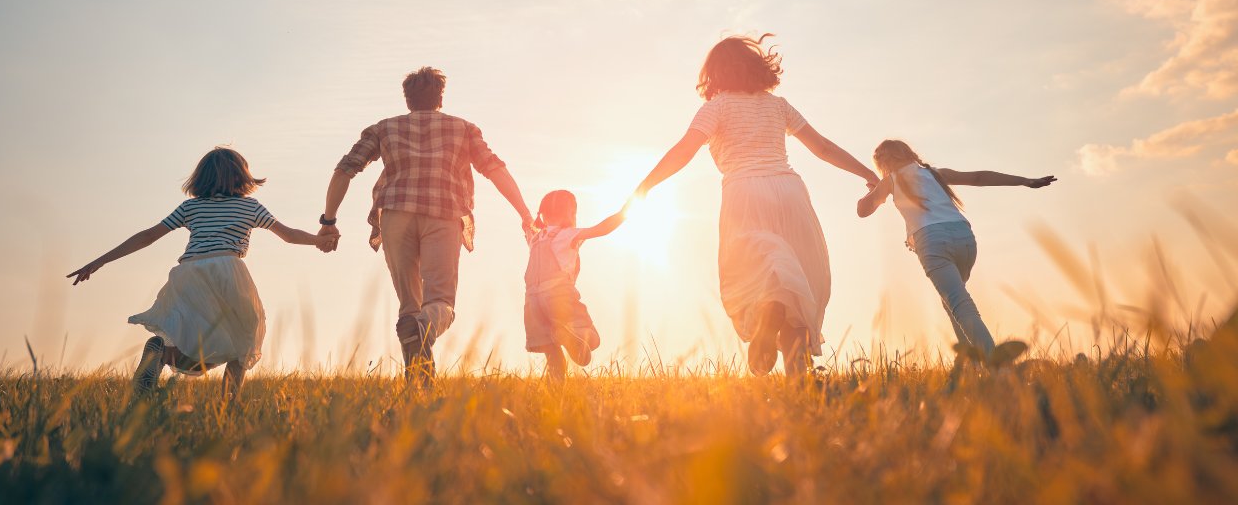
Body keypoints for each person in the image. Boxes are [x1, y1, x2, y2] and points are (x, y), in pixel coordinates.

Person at [633, 34, 878, 377]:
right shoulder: (778, 105)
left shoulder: (715, 107)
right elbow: (822, 147)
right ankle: (799, 379)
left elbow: (684, 151)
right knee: (800, 281)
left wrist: (644, 187)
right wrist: (869, 174)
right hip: (790, 191)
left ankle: (769, 311)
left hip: (744, 192)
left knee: (756, 272)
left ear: (714, 73)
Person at [317, 67, 534, 384]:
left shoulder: (383, 129)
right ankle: (421, 342)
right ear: (440, 98)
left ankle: (419, 384)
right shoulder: (463, 128)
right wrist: (525, 214)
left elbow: (344, 170)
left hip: (395, 215)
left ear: (407, 99)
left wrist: (329, 221)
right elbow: (495, 169)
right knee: (440, 302)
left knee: (410, 305)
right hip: (443, 213)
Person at [66, 147, 335, 400]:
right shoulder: (250, 206)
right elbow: (289, 236)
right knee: (244, 339)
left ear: (200, 178)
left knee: (192, 338)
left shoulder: (191, 207)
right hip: (228, 270)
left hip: (189, 272)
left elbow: (148, 236)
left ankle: (160, 354)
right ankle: (228, 407)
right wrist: (320, 240)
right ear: (241, 175)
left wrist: (100, 261)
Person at [856, 139, 1055, 366]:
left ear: (883, 163)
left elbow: (863, 211)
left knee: (959, 304)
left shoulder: (889, 181)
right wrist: (1025, 181)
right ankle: (972, 365)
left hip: (932, 242)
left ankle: (999, 370)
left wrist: (873, 190)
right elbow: (979, 178)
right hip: (965, 239)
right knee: (952, 302)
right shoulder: (935, 174)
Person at [524, 190, 629, 381]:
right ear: (569, 214)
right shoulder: (568, 234)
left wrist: (526, 219)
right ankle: (570, 334)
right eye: (574, 213)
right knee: (592, 339)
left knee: (551, 348)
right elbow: (601, 229)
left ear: (543, 215)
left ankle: (556, 390)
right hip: (558, 295)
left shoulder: (535, 239)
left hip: (533, 302)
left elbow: (527, 228)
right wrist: (625, 211)